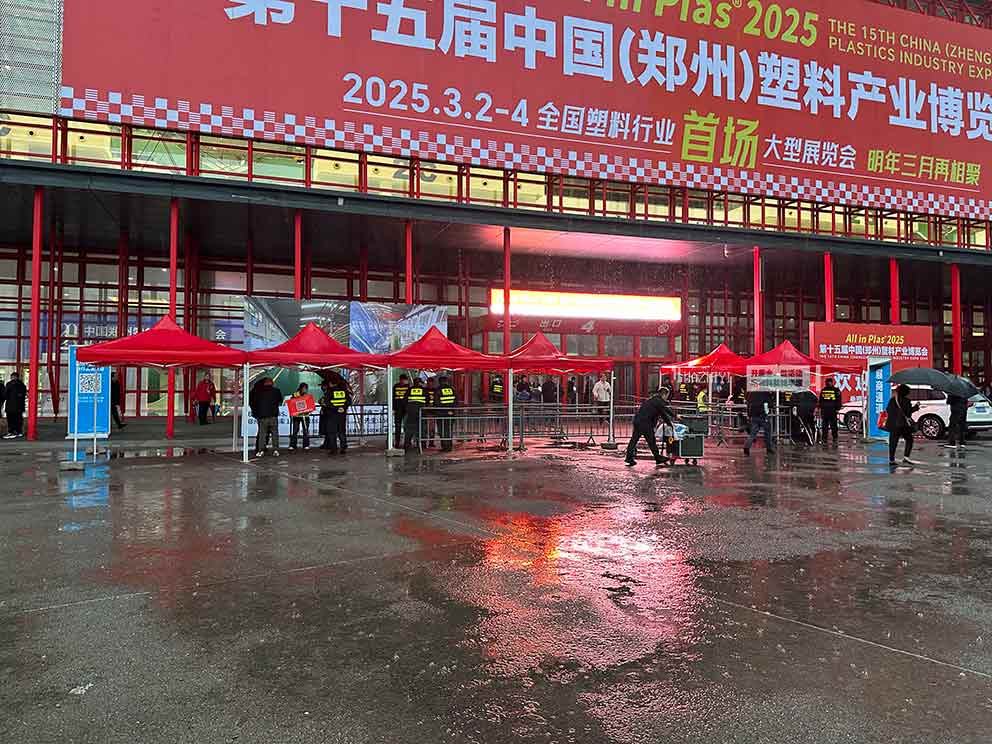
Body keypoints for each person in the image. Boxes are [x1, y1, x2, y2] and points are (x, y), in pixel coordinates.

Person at [625, 387, 676, 467]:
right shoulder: (658, 401)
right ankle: (657, 457)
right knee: (651, 441)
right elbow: (664, 412)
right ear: (664, 394)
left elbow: (662, 412)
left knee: (634, 440)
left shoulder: (652, 400)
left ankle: (629, 458)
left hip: (638, 421)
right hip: (646, 423)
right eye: (667, 395)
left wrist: (669, 422)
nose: (667, 398)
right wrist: (673, 419)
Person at [884, 383, 919, 466]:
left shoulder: (892, 400)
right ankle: (906, 457)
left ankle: (891, 460)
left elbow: (888, 410)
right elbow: (908, 413)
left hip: (892, 424)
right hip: (903, 425)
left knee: (893, 442)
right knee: (909, 439)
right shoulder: (906, 401)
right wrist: (916, 407)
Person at [252, 377, 284, 457]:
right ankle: (275, 450)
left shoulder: (259, 392)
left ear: (264, 383)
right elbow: (280, 400)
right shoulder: (276, 391)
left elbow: (255, 402)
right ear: (272, 383)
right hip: (273, 416)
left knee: (262, 434)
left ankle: (261, 450)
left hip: (262, 416)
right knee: (275, 433)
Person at [743, 389, 775, 455]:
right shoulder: (765, 393)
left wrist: (749, 415)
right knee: (768, 433)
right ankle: (769, 448)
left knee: (753, 433)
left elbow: (748, 404)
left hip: (754, 416)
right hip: (763, 415)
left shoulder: (751, 393)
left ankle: (746, 447)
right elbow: (770, 404)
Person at [326, 376, 351, 455]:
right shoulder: (344, 391)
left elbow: (328, 403)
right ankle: (343, 448)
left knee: (332, 432)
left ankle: (334, 449)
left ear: (331, 383)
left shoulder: (330, 391)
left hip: (332, 415)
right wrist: (343, 408)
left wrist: (336, 409)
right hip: (342, 415)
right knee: (341, 431)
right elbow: (349, 401)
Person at [404, 376, 427, 451]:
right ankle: (421, 445)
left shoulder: (409, 390)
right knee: (421, 429)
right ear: (419, 383)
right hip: (421, 412)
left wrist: (407, 409)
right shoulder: (424, 390)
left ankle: (407, 444)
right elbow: (428, 400)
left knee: (409, 429)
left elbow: (405, 400)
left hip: (411, 413)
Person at [436, 375, 457, 451]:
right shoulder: (452, 389)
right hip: (451, 413)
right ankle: (449, 446)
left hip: (441, 414)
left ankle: (444, 446)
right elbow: (456, 401)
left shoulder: (438, 390)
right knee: (449, 430)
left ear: (440, 382)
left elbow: (436, 402)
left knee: (442, 430)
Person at [3, 372, 27, 439]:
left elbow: (5, 395)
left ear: (12, 377)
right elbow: (23, 395)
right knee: (18, 419)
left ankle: (11, 432)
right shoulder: (22, 385)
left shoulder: (9, 384)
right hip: (19, 406)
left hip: (10, 406)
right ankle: (18, 432)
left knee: (11, 419)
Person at [818, 378, 842, 444]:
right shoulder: (835, 390)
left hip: (826, 411)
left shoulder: (824, 390)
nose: (828, 383)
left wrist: (821, 408)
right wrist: (837, 409)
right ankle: (833, 438)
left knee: (826, 425)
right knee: (831, 425)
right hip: (831, 411)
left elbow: (820, 401)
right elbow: (839, 400)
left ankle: (825, 438)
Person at [288, 383, 311, 451]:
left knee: (305, 431)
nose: (305, 390)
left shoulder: (307, 395)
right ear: (300, 388)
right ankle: (292, 445)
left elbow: (310, 404)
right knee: (295, 430)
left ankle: (306, 445)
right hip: (297, 415)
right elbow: (291, 403)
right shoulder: (295, 395)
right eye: (304, 388)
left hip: (305, 415)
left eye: (306, 388)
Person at [392, 373, 410, 449]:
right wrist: (393, 408)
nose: (403, 381)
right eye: (402, 380)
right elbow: (393, 397)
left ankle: (407, 442)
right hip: (398, 409)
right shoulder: (395, 386)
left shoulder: (408, 387)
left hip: (406, 410)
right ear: (400, 380)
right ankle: (397, 442)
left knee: (406, 426)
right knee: (398, 426)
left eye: (404, 380)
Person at [424, 376, 439, 449]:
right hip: (425, 411)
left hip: (433, 411)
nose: (430, 384)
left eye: (431, 383)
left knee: (432, 428)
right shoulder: (424, 390)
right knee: (425, 427)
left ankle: (431, 442)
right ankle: (423, 442)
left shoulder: (435, 390)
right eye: (428, 383)